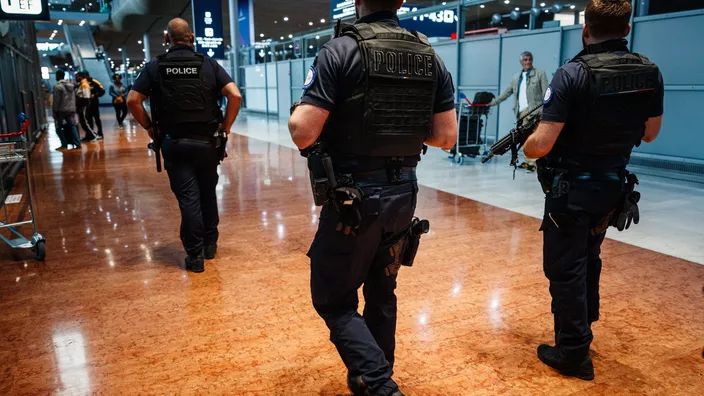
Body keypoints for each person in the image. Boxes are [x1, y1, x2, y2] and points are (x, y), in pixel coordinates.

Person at [288, 0, 457, 394]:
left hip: (355, 200)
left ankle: (380, 385)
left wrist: (299, 111)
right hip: (404, 196)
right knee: (382, 291)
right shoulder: (428, 54)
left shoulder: (341, 51)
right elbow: (446, 136)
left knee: (333, 300)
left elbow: (303, 133)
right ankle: (370, 377)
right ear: (400, 1)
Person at [523, 0, 664, 381]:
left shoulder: (572, 74)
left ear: (585, 30)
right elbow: (650, 133)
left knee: (564, 267)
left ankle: (573, 353)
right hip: (613, 187)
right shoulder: (649, 72)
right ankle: (583, 332)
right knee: (589, 258)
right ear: (627, 29)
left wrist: (528, 143)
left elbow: (542, 145)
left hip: (570, 191)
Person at [127, 18, 242, 273]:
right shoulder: (209, 64)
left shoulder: (155, 67)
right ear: (192, 39)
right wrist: (226, 126)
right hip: (208, 143)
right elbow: (235, 95)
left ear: (167, 39)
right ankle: (210, 244)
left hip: (174, 142)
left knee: (188, 198)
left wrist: (149, 127)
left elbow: (133, 101)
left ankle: (195, 254)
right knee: (207, 192)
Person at [491, 51, 549, 172]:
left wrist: (545, 110)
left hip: (535, 112)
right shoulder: (516, 78)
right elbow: (507, 93)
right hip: (521, 113)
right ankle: (528, 160)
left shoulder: (540, 74)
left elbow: (546, 93)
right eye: (525, 60)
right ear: (521, 62)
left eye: (529, 59)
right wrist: (492, 103)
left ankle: (533, 161)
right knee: (523, 138)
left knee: (534, 137)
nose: (528, 62)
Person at [51, 70, 82, 150]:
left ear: (57, 76)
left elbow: (56, 100)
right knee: (72, 126)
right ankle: (77, 143)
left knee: (58, 128)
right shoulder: (71, 85)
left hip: (61, 110)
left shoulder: (57, 86)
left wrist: (54, 110)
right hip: (70, 109)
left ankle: (64, 144)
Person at [82, 70, 105, 139]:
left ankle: (100, 133)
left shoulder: (94, 82)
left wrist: (95, 95)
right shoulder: (83, 83)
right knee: (88, 120)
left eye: (85, 76)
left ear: (88, 75)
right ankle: (90, 135)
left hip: (94, 104)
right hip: (86, 105)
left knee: (97, 119)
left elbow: (102, 90)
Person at [75, 73, 97, 141]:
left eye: (77, 77)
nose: (76, 78)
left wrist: (81, 105)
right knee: (83, 122)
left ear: (81, 77)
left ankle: (93, 135)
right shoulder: (81, 84)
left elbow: (86, 96)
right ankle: (89, 136)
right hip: (82, 106)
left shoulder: (84, 85)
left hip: (83, 106)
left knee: (85, 122)